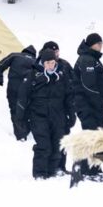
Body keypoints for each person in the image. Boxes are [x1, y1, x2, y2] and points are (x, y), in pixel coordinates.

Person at [15, 47, 76, 180]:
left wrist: (71, 115)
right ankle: (40, 174)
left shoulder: (61, 76)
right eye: (47, 63)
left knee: (56, 145)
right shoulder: (33, 75)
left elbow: (69, 97)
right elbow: (23, 97)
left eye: (52, 63)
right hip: (39, 116)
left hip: (58, 117)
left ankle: (52, 172)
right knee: (44, 146)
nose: (50, 65)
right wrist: (20, 118)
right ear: (42, 63)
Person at [73, 32, 103, 130]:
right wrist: (99, 101)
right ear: (92, 44)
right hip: (89, 107)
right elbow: (88, 85)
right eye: (98, 43)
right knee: (93, 137)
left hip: (94, 107)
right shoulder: (87, 59)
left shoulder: (92, 58)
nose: (101, 46)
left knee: (97, 137)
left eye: (101, 43)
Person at [0, 45, 36, 134]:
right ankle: (25, 132)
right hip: (27, 91)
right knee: (25, 111)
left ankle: (20, 135)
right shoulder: (36, 61)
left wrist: (0, 78)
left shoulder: (15, 56)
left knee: (14, 110)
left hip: (13, 88)